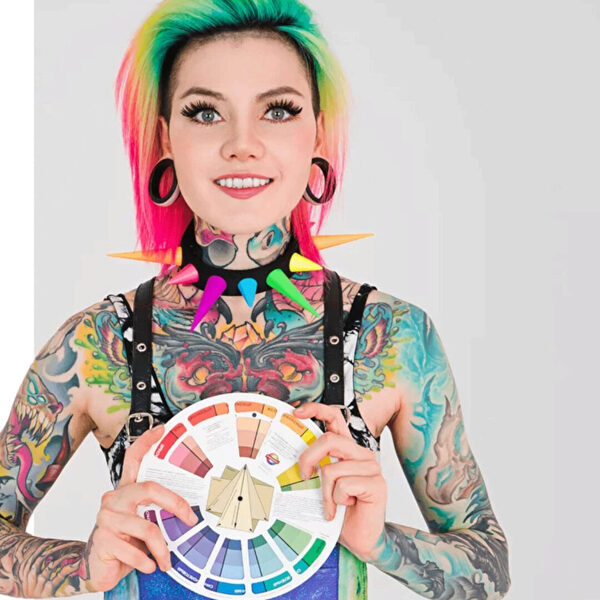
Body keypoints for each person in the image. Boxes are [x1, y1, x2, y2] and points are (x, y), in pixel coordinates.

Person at [0, 0, 511, 598]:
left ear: (316, 132)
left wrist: (379, 541)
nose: (242, 144)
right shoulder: (97, 342)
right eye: (205, 112)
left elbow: (490, 568)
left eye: (278, 110)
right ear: (165, 138)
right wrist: (82, 565)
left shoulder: (391, 336)